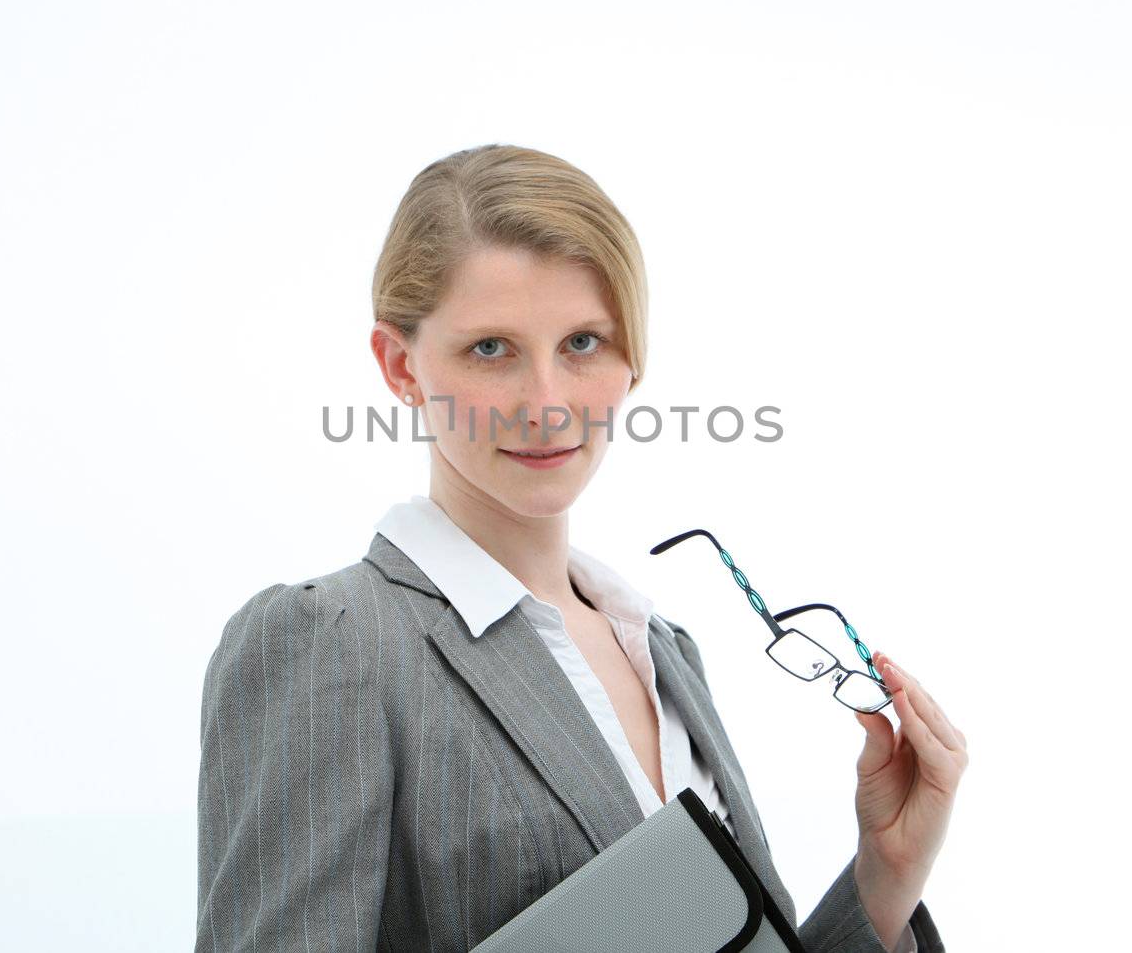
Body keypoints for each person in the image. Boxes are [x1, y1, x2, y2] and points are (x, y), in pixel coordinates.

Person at [195, 144, 965, 952]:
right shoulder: (330, 642)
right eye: (490, 348)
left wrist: (882, 878)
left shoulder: (665, 653)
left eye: (583, 343)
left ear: (634, 356)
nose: (547, 404)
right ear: (401, 366)